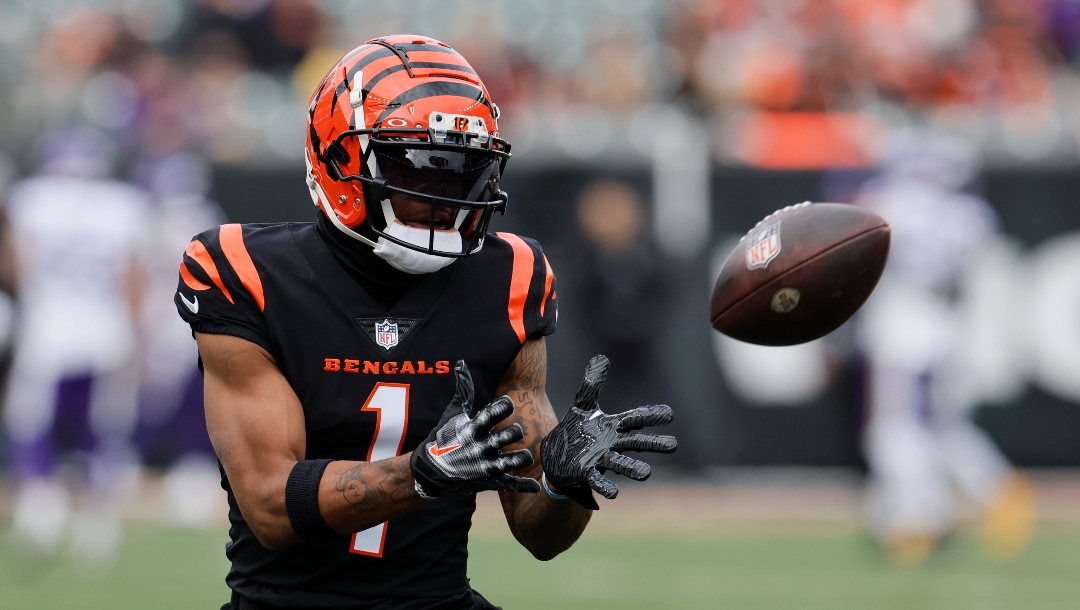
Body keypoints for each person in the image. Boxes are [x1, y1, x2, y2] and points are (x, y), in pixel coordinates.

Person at [175, 35, 677, 610]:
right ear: (338, 158)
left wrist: (565, 487)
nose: (442, 200)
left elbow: (539, 535)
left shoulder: (509, 275)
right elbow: (269, 506)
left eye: (463, 175)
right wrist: (423, 472)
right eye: (415, 168)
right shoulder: (244, 270)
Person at [853, 130, 1034, 566]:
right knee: (938, 427)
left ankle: (921, 518)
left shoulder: (885, 200)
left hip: (903, 327)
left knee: (896, 432)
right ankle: (969, 500)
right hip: (948, 328)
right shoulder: (970, 214)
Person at [2, 127, 150, 572]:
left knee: (29, 423)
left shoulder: (34, 199)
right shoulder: (124, 206)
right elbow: (133, 277)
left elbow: (16, 263)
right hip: (108, 329)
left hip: (49, 327)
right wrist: (135, 333)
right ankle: (97, 521)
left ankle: (41, 507)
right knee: (100, 432)